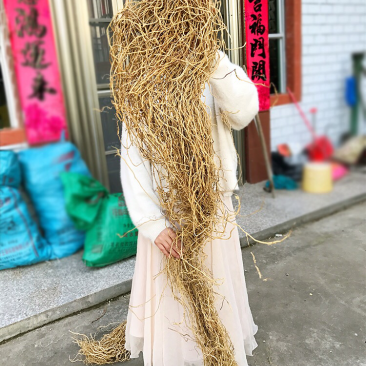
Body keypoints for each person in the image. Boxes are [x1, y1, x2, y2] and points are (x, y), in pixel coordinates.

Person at [120, 50, 259, 366]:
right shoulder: (143, 69)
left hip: (212, 205)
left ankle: (220, 351)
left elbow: (244, 110)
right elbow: (133, 155)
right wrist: (152, 223)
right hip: (166, 209)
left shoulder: (210, 62)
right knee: (174, 298)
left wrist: (214, 62)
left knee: (217, 288)